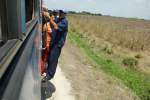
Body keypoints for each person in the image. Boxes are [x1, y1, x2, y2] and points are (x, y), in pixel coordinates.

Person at [43, 10, 68, 81]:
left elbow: (56, 27)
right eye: (60, 12)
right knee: (49, 57)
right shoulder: (59, 19)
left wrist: (49, 19)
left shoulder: (64, 21)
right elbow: (53, 20)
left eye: (62, 13)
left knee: (53, 59)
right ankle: (47, 71)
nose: (60, 13)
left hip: (58, 44)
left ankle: (50, 75)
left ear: (65, 14)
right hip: (53, 41)